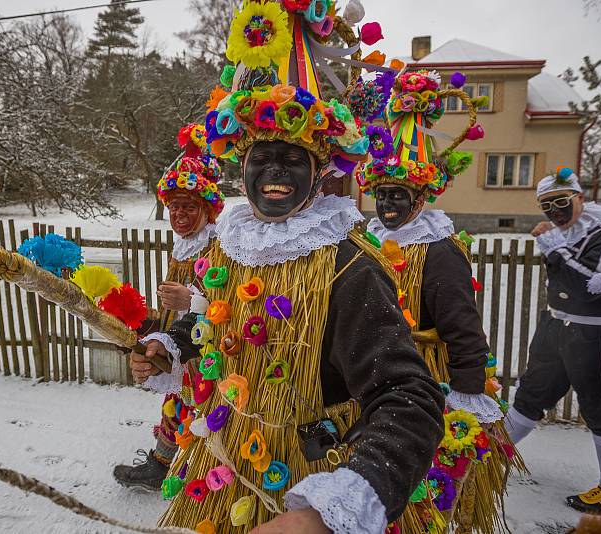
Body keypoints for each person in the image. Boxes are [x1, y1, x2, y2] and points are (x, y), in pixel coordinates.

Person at [127, 2, 445, 531]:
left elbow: (408, 397)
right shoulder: (229, 246)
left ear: (320, 175)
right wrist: (172, 347)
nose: (276, 171)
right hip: (227, 462)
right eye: (262, 158)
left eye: (294, 159)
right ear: (242, 165)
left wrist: (327, 512)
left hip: (313, 473)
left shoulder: (349, 265)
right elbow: (214, 313)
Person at [359, 69, 525, 532]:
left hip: (428, 376)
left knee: (423, 482)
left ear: (419, 199)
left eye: (399, 195)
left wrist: (469, 388)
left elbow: (461, 323)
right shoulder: (369, 241)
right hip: (376, 368)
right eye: (382, 194)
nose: (388, 203)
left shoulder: (437, 249)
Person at [113, 124, 225, 490]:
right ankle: (164, 464)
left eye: (189, 206)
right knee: (176, 403)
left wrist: (192, 301)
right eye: (174, 206)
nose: (179, 214)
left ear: (208, 210)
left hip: (212, 349)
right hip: (181, 342)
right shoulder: (185, 246)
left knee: (201, 410)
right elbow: (175, 313)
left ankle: (198, 472)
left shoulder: (219, 247)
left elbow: (227, 303)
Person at [505, 167, 601, 515]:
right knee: (531, 393)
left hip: (592, 333)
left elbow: (589, 289)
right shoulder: (563, 233)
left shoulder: (600, 232)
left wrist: (555, 248)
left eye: (562, 202)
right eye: (547, 206)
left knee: (599, 408)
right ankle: (490, 456)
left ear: (579, 197)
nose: (555, 212)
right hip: (554, 325)